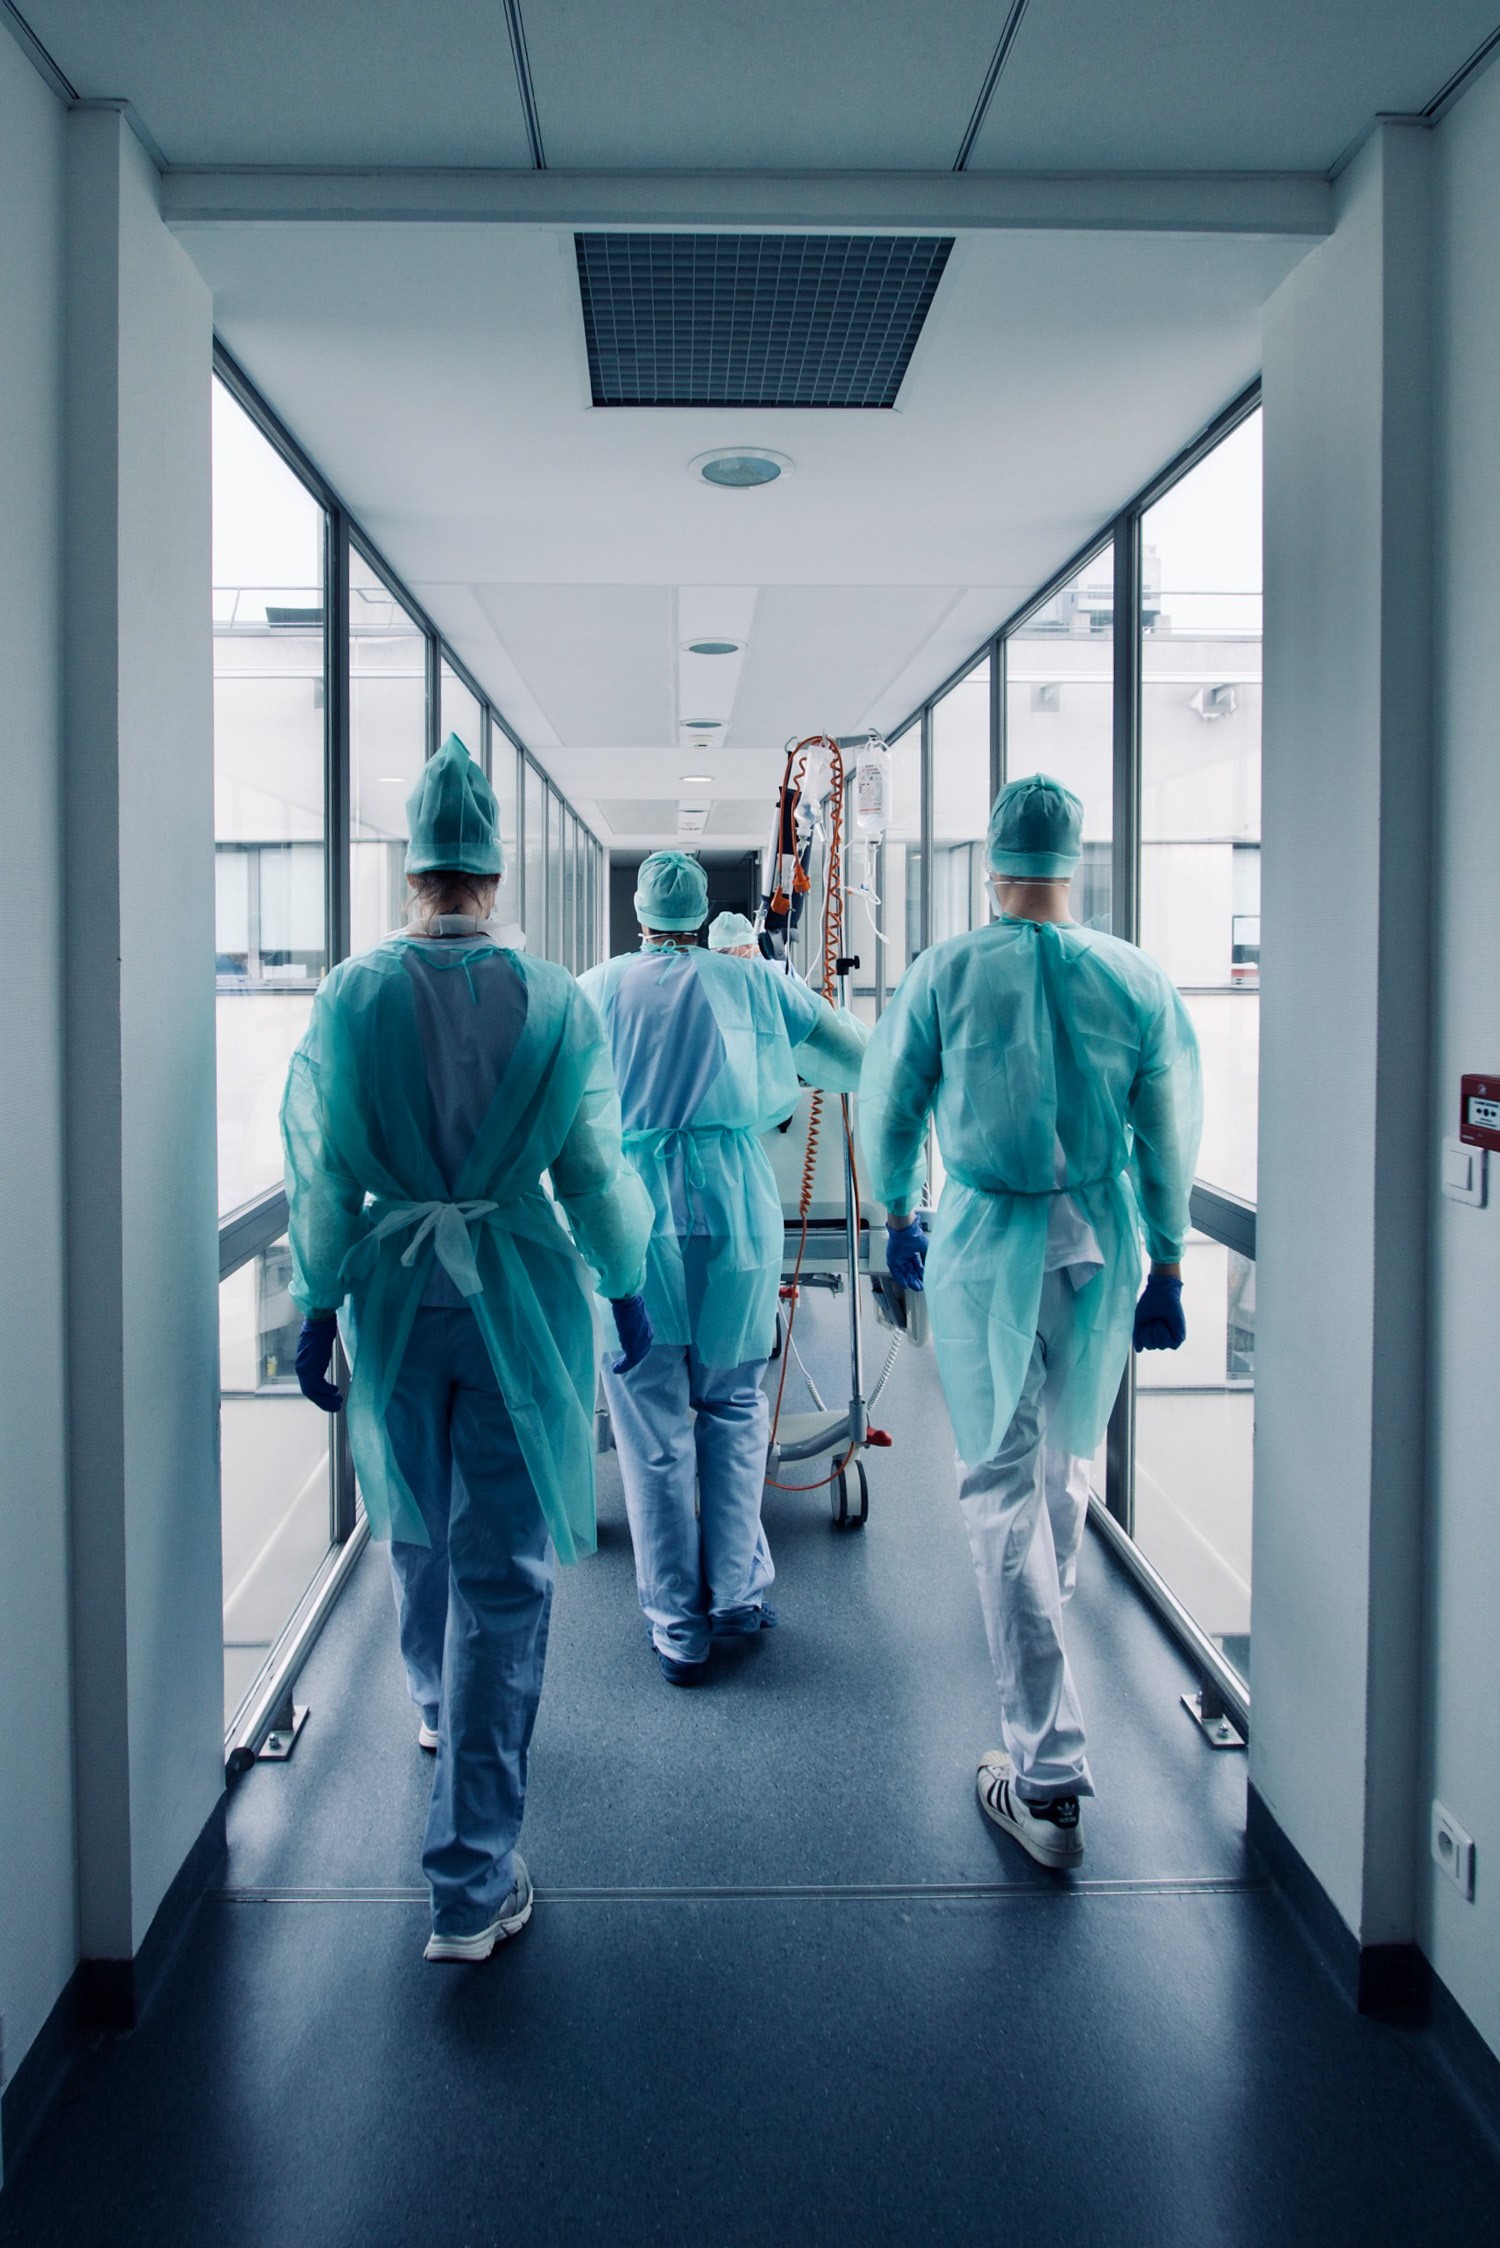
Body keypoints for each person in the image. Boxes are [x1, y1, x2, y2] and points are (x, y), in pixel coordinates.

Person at [282, 735, 654, 1961]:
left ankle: (437, 1709)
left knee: (414, 1515)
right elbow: (594, 1167)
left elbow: (325, 1167)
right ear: (494, 874)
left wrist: (319, 1295)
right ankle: (472, 1879)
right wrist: (628, 1279)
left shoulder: (352, 992)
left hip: (393, 1292)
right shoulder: (551, 998)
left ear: (414, 873)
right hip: (516, 1298)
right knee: (503, 1571)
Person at [859, 775, 1201, 1871]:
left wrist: (894, 1212)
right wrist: (1173, 1258)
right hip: (1101, 1250)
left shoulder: (949, 971)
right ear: (1074, 860)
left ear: (996, 864)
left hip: (988, 1248)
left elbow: (893, 1103)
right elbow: (1167, 1129)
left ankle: (1047, 1776)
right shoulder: (1134, 978)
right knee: (1057, 1469)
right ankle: (1035, 1640)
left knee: (1000, 1486)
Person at [580, 851, 868, 1684]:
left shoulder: (596, 987)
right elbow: (853, 1058)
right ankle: (736, 1593)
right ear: (706, 915)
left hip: (635, 1209)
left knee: (651, 1420)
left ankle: (678, 1624)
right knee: (735, 1403)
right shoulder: (755, 984)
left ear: (640, 916)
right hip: (735, 1206)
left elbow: (558, 1104)